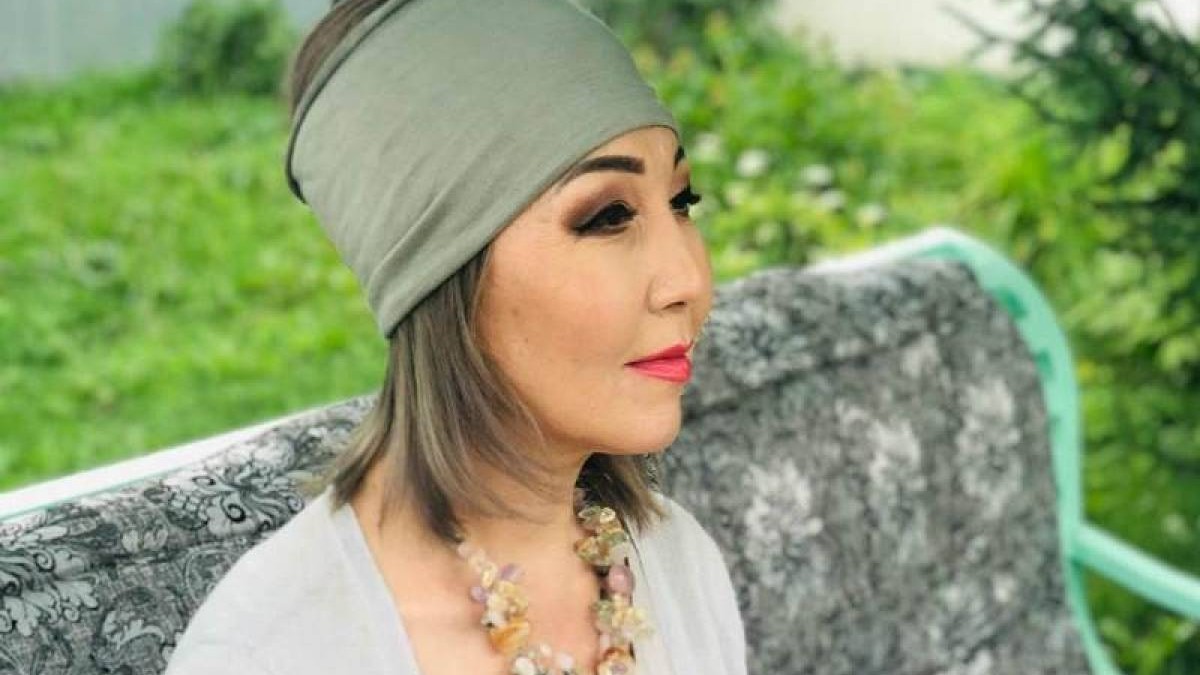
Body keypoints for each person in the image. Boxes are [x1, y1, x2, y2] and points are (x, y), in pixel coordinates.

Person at [165, 0, 747, 673]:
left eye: (681, 202)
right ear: (442, 276)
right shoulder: (272, 653)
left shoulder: (676, 566)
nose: (688, 279)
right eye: (607, 217)